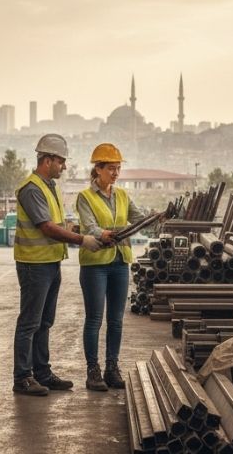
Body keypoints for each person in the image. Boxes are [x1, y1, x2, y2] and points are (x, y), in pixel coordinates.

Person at [12, 133, 103, 397]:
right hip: (34, 265)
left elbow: (59, 224)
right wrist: (82, 240)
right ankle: (22, 377)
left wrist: (85, 231)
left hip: (51, 263)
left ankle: (42, 373)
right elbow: (47, 227)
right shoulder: (32, 189)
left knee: (45, 321)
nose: (64, 166)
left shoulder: (50, 186)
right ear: (48, 159)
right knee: (29, 322)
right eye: (61, 161)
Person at [76, 143, 145, 392]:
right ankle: (93, 371)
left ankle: (111, 368)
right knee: (94, 319)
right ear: (98, 169)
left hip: (119, 263)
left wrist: (157, 219)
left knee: (116, 320)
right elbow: (89, 227)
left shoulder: (123, 196)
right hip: (95, 265)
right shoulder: (85, 197)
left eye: (118, 169)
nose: (116, 174)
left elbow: (138, 219)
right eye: (111, 169)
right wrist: (104, 234)